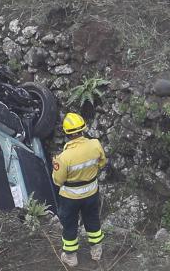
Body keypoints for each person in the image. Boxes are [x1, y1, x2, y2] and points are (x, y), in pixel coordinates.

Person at [53, 112, 107, 268]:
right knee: (92, 219)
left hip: (70, 198)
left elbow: (58, 180)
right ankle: (96, 251)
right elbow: (101, 163)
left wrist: (54, 165)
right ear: (83, 129)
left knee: (70, 224)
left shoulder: (63, 157)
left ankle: (71, 257)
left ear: (66, 133)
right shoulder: (95, 144)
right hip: (91, 193)